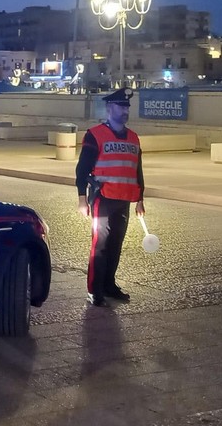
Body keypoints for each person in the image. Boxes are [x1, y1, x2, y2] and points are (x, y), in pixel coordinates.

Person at [76, 87, 145, 307]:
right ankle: (94, 290)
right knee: (100, 245)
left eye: (127, 107)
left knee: (116, 244)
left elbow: (137, 169)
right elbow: (82, 169)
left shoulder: (133, 138)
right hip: (102, 199)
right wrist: (81, 198)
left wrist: (140, 199)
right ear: (109, 108)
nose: (125, 110)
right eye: (120, 106)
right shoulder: (95, 135)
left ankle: (109, 285)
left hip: (123, 199)